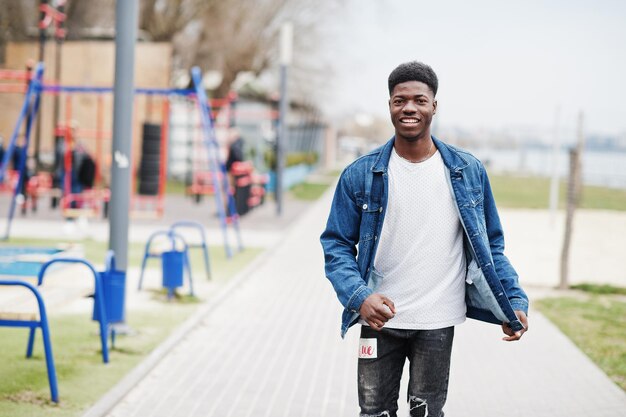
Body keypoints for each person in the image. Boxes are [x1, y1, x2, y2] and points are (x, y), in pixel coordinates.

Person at [320, 61, 529, 417]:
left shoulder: (467, 171)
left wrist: (513, 301)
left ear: (434, 105)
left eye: (419, 99)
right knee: (374, 412)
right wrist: (360, 298)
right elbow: (336, 243)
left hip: (437, 319)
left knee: (427, 412)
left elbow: (491, 246)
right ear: (390, 106)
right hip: (378, 320)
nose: (409, 108)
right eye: (400, 100)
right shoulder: (360, 174)